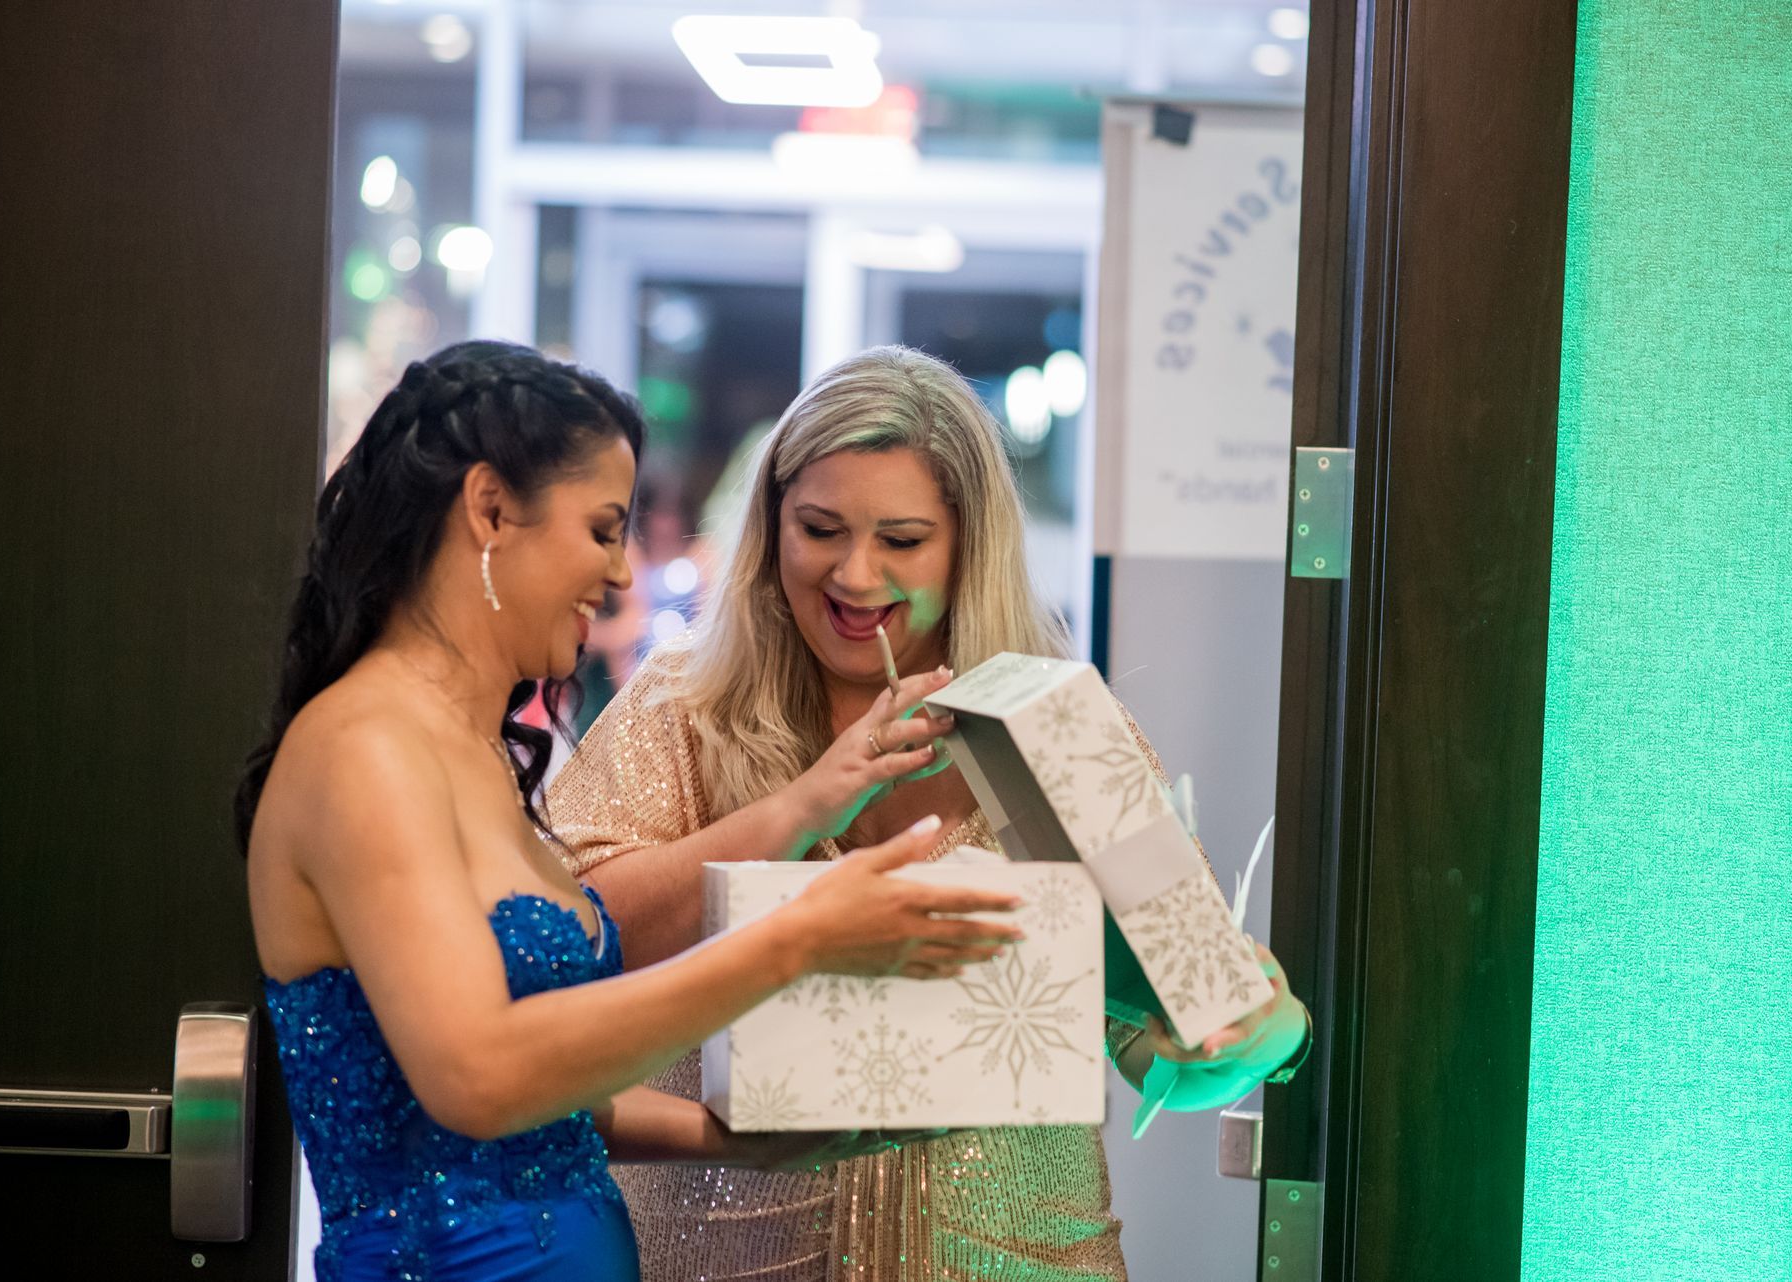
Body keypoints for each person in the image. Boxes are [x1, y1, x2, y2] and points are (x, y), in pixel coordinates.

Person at [239, 341, 1022, 1282]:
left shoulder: (473, 754)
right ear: (491, 509)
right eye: (604, 528)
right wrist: (795, 939)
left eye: (901, 540)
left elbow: (555, 1097)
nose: (620, 574)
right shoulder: (363, 749)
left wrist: (736, 1138)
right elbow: (480, 1076)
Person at [550, 345, 1311, 1281]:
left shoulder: (1060, 726)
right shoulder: (682, 707)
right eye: (820, 529)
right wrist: (800, 806)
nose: (855, 576)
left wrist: (1246, 1039)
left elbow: (1150, 1039)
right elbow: (571, 941)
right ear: (770, 523)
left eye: (902, 540)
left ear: (968, 543)